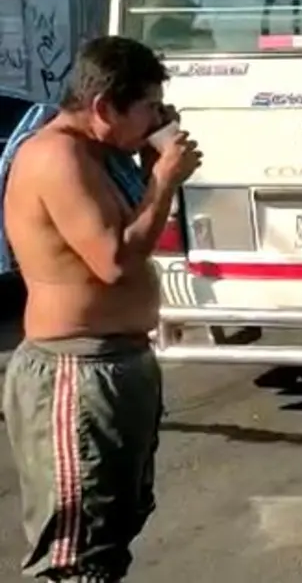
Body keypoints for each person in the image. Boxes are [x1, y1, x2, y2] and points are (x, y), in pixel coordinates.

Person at [2, 36, 201, 582]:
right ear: (104, 107)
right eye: (149, 108)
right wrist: (162, 180)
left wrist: (152, 157)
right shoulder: (57, 156)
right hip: (75, 372)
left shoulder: (103, 152)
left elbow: (135, 231)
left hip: (118, 362)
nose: (159, 117)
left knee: (113, 521)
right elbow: (113, 260)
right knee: (77, 547)